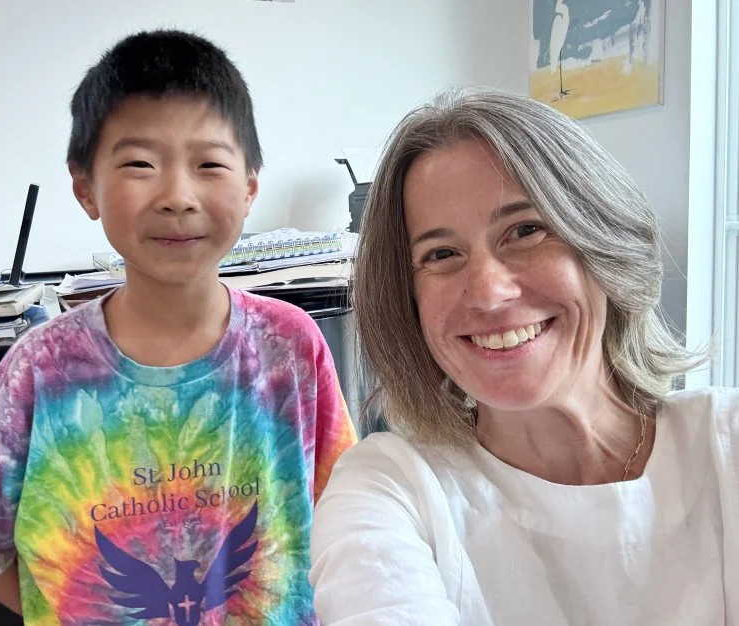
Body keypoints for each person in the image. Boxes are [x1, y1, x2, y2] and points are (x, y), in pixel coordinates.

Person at [0, 30, 356, 625]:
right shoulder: (39, 370)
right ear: (85, 188)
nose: (177, 195)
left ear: (249, 187)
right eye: (140, 163)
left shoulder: (291, 347)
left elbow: (348, 517)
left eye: (210, 164)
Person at [309, 89, 739, 625]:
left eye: (526, 231)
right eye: (441, 254)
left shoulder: (727, 445)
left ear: (602, 241)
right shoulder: (390, 492)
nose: (489, 292)